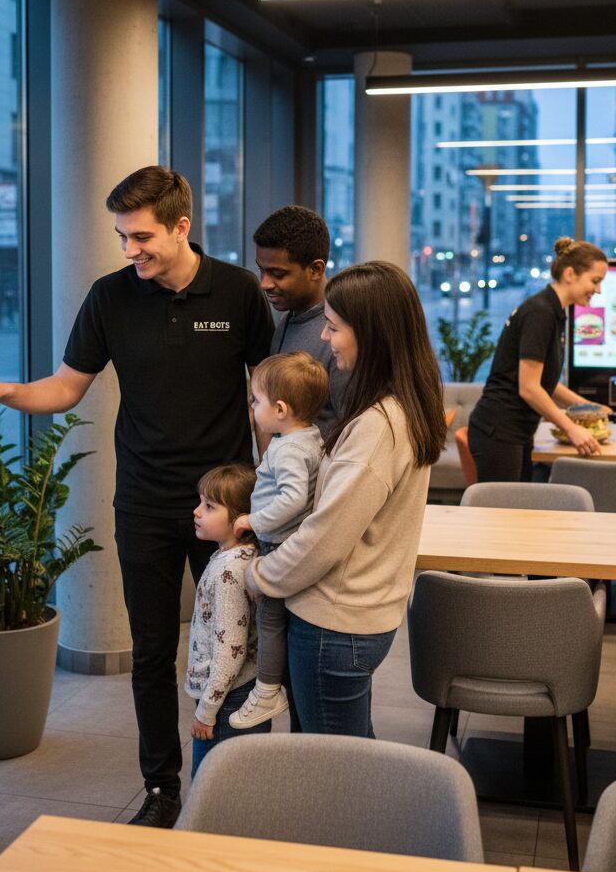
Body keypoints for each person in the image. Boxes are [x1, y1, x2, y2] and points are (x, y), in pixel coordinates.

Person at [0, 166, 274, 827]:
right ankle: (162, 789)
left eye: (141, 237)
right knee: (151, 653)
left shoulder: (238, 291)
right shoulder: (110, 297)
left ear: (181, 227)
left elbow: (268, 396)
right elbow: (66, 388)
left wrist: (273, 489)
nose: (129, 250)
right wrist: (5, 391)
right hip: (145, 502)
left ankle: (238, 788)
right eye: (122, 237)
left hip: (230, 509)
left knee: (237, 646)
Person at [245, 261, 447, 737]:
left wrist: (260, 575)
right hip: (360, 614)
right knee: (349, 754)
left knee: (332, 765)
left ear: (371, 334)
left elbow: (326, 537)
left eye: (334, 328)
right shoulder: (404, 406)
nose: (325, 338)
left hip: (335, 622)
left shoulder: (377, 426)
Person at [226, 351, 329, 730]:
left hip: (280, 545)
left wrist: (252, 520)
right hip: (295, 544)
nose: (253, 407)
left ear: (281, 409)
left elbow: (293, 498)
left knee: (269, 620)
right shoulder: (311, 437)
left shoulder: (286, 449)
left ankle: (268, 689)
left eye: (257, 401)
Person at [468, 237, 610, 483]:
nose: (598, 290)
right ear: (570, 274)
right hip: (499, 430)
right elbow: (529, 388)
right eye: (595, 281)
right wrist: (571, 428)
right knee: (505, 508)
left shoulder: (553, 311)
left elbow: (544, 382)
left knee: (520, 506)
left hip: (515, 431)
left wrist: (588, 407)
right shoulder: (540, 313)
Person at [186, 463, 271, 776]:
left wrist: (207, 710)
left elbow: (229, 648)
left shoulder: (229, 571)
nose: (197, 511)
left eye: (209, 506)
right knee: (244, 782)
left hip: (228, 699)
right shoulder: (241, 557)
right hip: (235, 692)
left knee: (213, 785)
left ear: (240, 519)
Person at [253, 205, 349, 432]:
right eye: (262, 271)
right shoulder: (287, 320)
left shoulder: (342, 335)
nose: (264, 284)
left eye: (278, 274)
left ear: (315, 269)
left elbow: (352, 430)